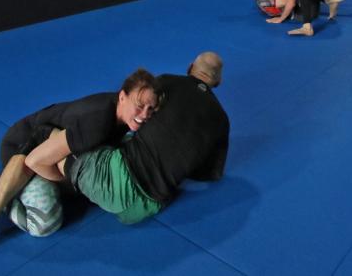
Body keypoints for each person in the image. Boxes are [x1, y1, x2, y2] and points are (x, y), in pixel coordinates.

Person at [0, 69, 161, 258]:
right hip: (24, 148)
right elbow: (35, 158)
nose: (144, 114)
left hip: (52, 149)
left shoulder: (125, 120)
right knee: (45, 223)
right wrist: (72, 184)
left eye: (151, 109)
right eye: (139, 105)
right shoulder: (97, 122)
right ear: (122, 96)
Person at [61, 52, 229, 225]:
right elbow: (210, 174)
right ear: (218, 81)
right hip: (150, 205)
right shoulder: (222, 120)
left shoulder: (167, 82)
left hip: (118, 184)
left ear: (190, 67)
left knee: (63, 144)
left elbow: (128, 113)